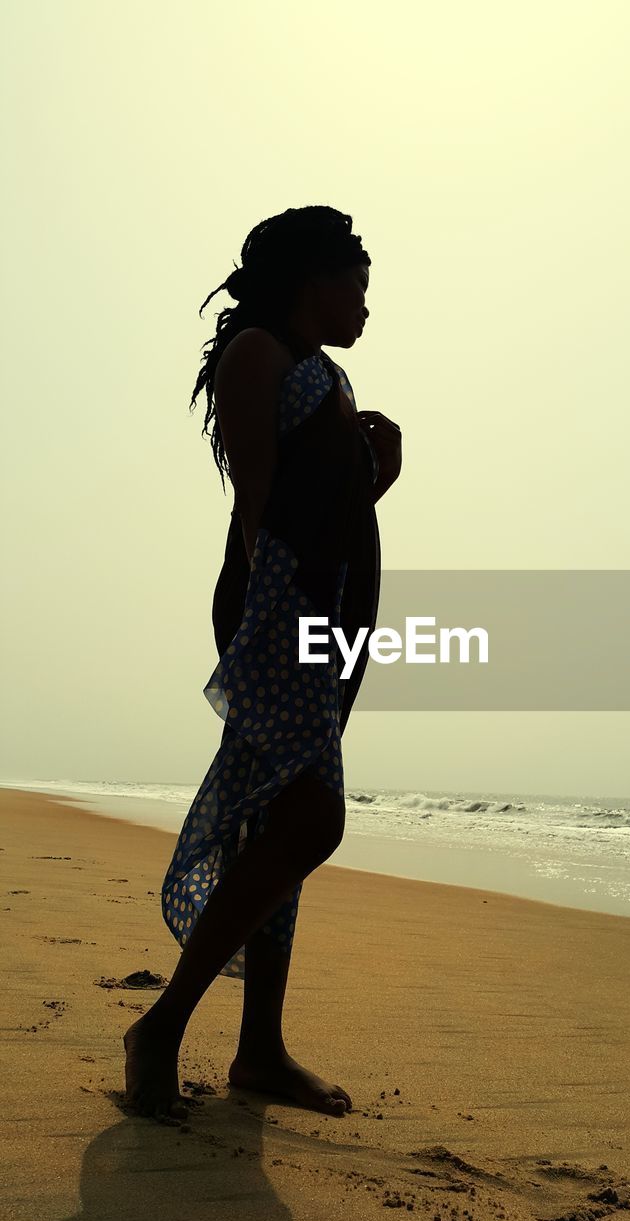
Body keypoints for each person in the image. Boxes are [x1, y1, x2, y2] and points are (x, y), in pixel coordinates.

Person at [123, 206, 402, 1122]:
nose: (366, 303)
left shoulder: (329, 374)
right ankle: (162, 1027)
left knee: (280, 824)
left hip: (334, 617)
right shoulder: (257, 356)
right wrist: (271, 625)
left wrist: (377, 473)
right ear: (312, 278)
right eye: (356, 282)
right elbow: (263, 507)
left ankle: (259, 1049)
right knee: (313, 819)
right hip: (283, 604)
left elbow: (335, 499)